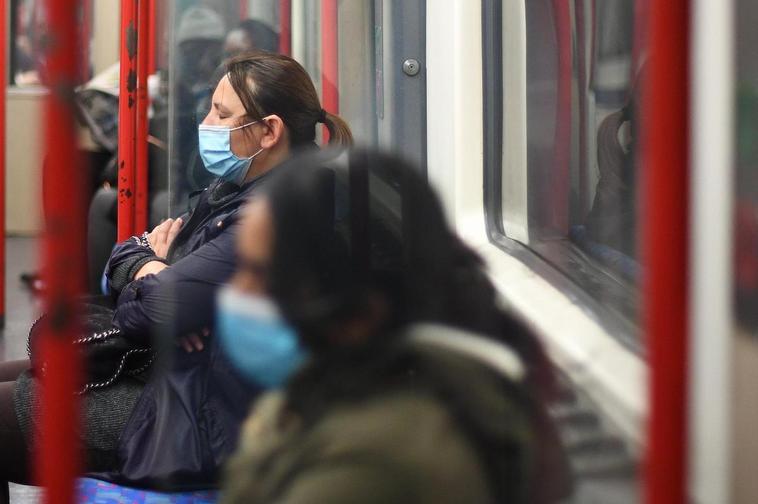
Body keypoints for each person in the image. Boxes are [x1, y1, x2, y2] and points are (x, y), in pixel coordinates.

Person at [0, 52, 352, 501]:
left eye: (222, 114)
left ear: (269, 131)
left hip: (196, 414)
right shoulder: (237, 190)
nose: (206, 122)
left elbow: (151, 312)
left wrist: (165, 285)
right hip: (175, 373)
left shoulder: (275, 219)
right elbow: (133, 251)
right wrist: (153, 269)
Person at [217, 149, 572, 504]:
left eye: (257, 274)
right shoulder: (337, 390)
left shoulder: (371, 462)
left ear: (355, 313)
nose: (237, 292)